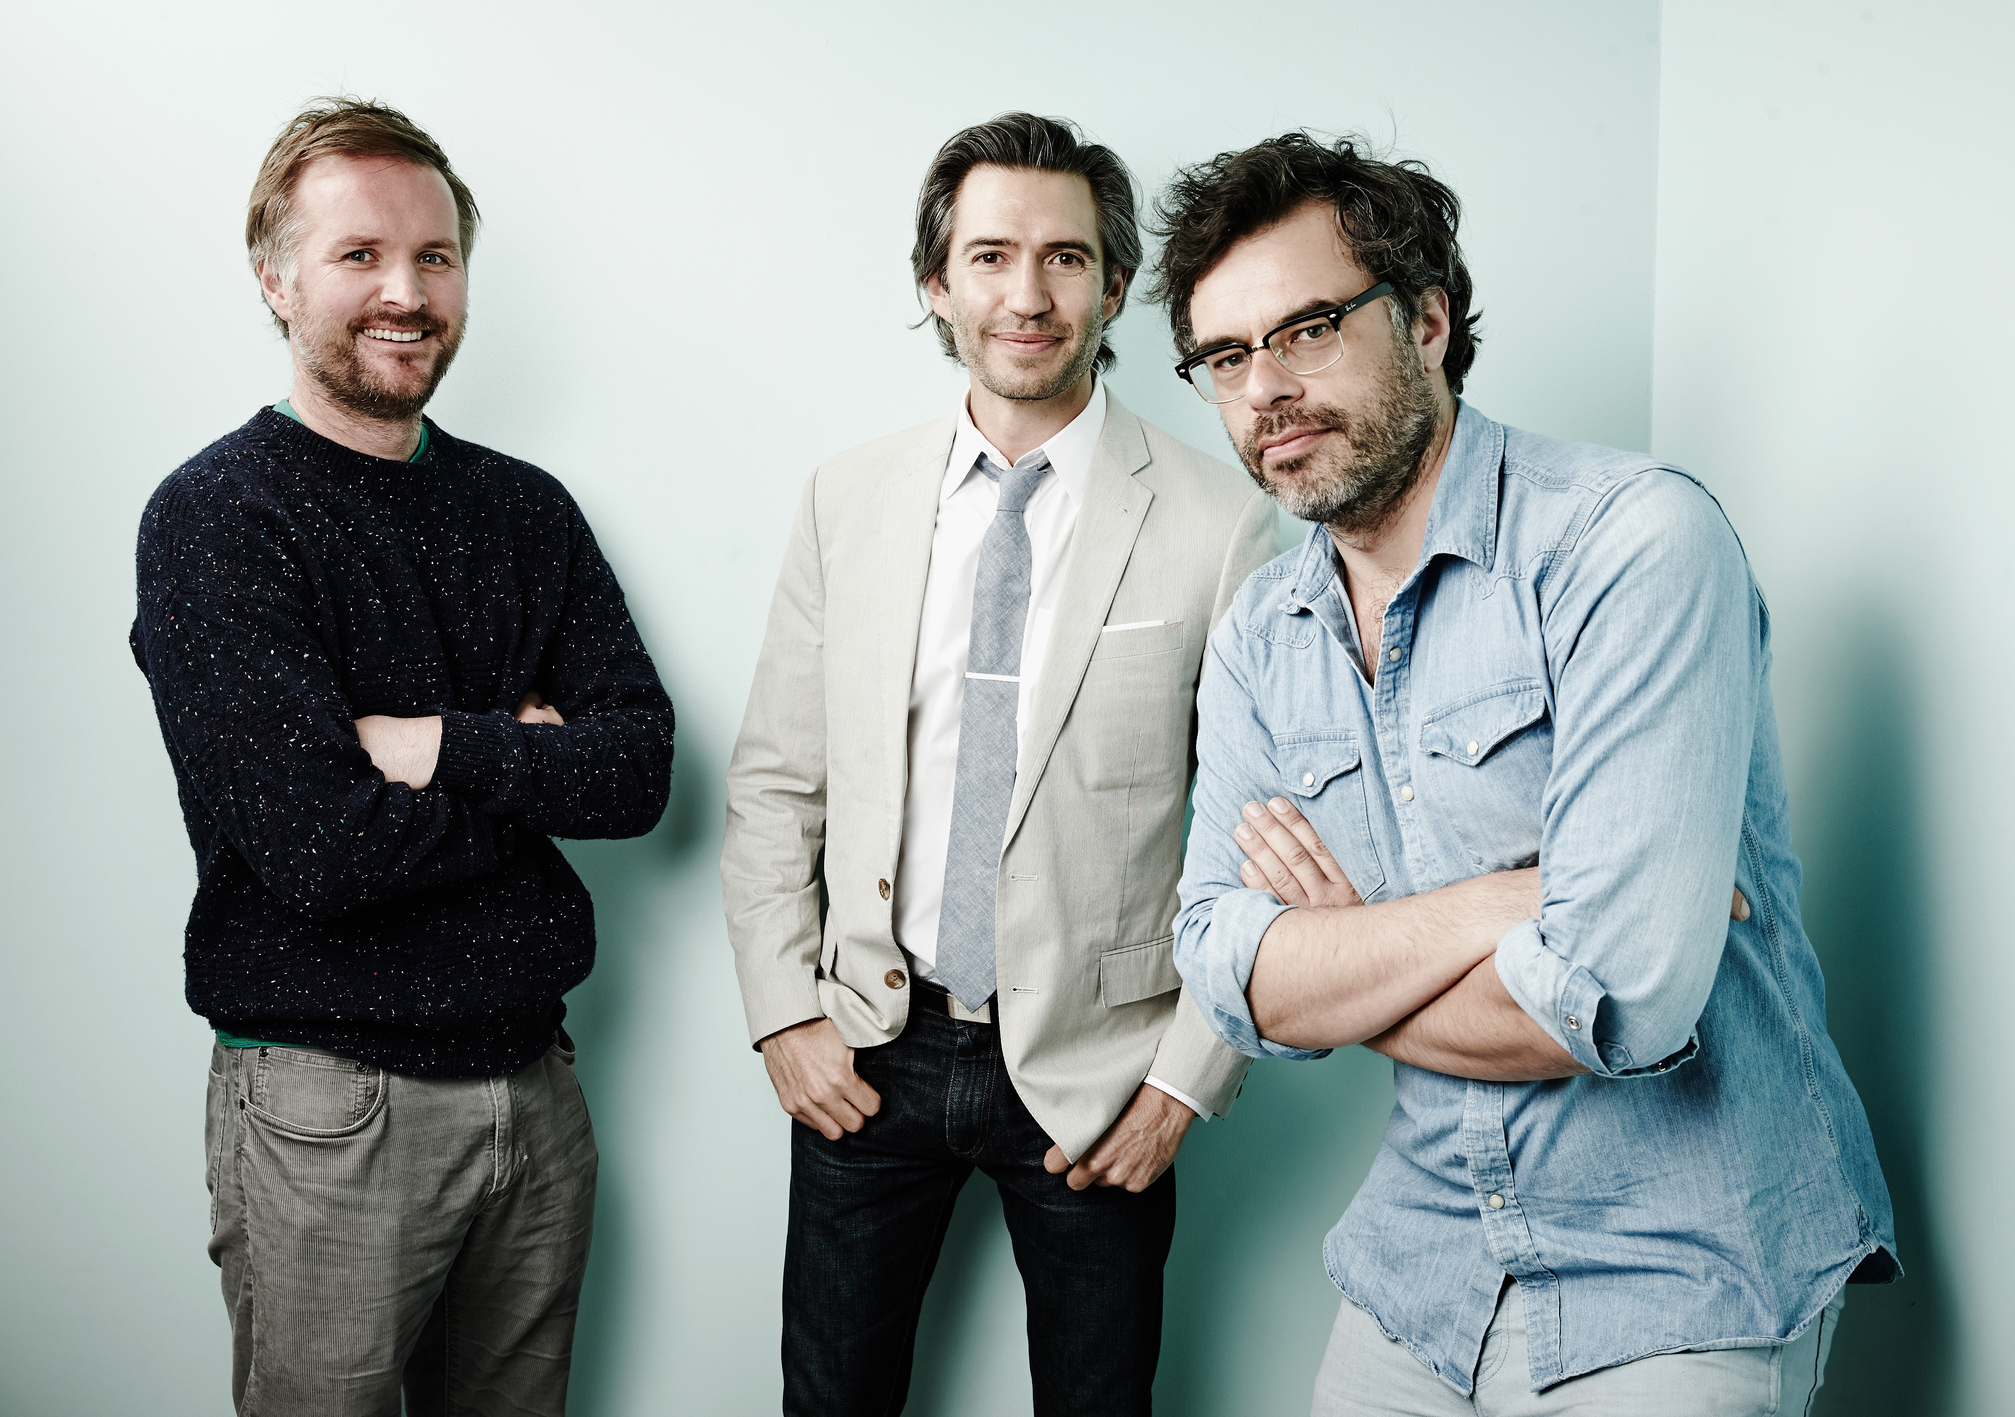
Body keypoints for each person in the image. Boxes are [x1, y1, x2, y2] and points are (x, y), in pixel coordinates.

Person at [1156, 133, 1896, 1415]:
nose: (1264, 388)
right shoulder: (1257, 636)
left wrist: (1334, 957)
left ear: (1429, 318)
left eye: (1310, 327)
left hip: (1679, 1271)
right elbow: (1226, 970)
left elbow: (1612, 1004)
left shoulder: (1636, 545)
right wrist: (1504, 907)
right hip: (1421, 1270)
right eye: (1226, 356)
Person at [721, 111, 1280, 1416]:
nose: (1027, 295)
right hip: (871, 1047)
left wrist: (1183, 1085)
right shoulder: (843, 499)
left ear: (1117, 283)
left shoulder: (1221, 523)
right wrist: (783, 1012)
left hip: (1102, 1068)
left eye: (1066, 259)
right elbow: (776, 782)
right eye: (989, 256)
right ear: (938, 282)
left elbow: (1269, 832)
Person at [130, 98, 673, 1416]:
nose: (406, 291)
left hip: (537, 1099)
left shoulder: (525, 508)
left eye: (435, 257)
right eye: (360, 255)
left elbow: (642, 771)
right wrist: (535, 767)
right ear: (276, 278)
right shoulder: (218, 519)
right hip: (330, 1111)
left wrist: (437, 747)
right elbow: (320, 851)